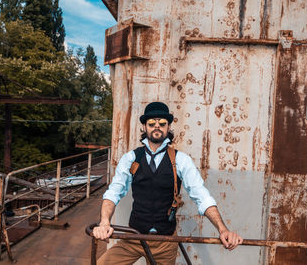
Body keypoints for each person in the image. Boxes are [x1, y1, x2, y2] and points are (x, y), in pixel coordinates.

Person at [93, 102, 243, 264]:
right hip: (133, 236)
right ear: (144, 127)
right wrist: (104, 222)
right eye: (151, 123)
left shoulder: (181, 160)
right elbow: (114, 192)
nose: (157, 126)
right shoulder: (131, 158)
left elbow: (202, 196)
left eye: (162, 123)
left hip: (165, 242)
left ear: (168, 127)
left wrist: (223, 229)